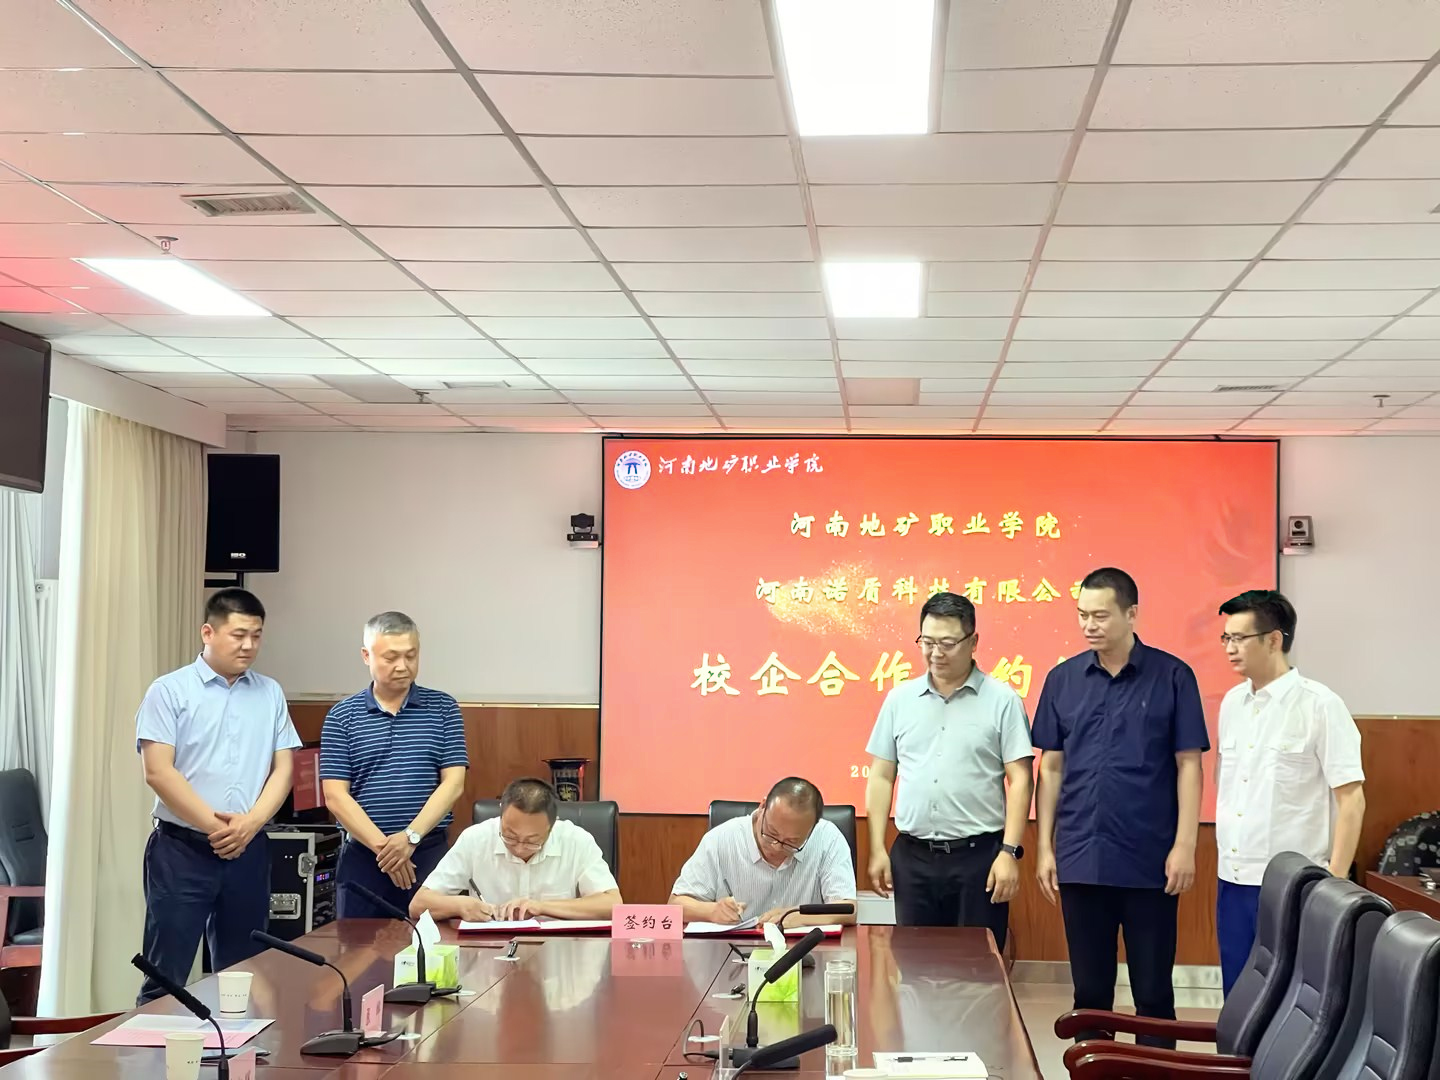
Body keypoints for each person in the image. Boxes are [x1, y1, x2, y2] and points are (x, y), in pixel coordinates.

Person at [1032, 567, 1208, 1048]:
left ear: (1131, 614)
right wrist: (1045, 848)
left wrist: (1185, 846)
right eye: (1082, 615)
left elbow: (1189, 764)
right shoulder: (1063, 679)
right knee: (1090, 992)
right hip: (1081, 855)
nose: (1089, 625)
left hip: (1151, 857)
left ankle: (1157, 1072)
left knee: (1153, 990)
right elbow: (1051, 768)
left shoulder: (1173, 676)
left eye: (1101, 615)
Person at [134, 588, 300, 1004]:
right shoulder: (169, 690)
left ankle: (237, 1045)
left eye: (256, 636)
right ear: (207, 633)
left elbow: (284, 769)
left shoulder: (270, 693)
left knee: (245, 971)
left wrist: (250, 825)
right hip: (182, 851)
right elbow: (158, 772)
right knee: (166, 971)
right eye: (238, 635)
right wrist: (217, 828)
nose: (249, 645)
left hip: (248, 849)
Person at [1215, 589, 1365, 995]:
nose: (1229, 648)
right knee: (1238, 994)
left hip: (1295, 887)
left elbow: (1351, 799)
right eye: (1226, 638)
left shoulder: (1320, 705)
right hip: (1233, 878)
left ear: (1273, 640)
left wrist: (1334, 881)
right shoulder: (1231, 704)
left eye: (1239, 638)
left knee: (1290, 1000)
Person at [863, 592, 1034, 950]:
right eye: (927, 642)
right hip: (912, 857)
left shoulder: (1002, 701)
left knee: (978, 965)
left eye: (947, 643)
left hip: (978, 859)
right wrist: (877, 847)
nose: (935, 653)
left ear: (973, 641)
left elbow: (1020, 780)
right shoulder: (899, 700)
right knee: (914, 963)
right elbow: (881, 776)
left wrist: (1009, 852)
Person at [321, 611, 468, 919]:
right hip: (364, 856)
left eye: (411, 656)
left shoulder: (443, 708)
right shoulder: (342, 716)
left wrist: (410, 837)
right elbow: (335, 796)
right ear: (366, 656)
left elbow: (453, 783)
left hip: (427, 853)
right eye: (391, 657)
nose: (403, 666)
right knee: (357, 946)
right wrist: (386, 850)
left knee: (432, 944)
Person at [410, 777, 621, 922]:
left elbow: (611, 905)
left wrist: (541, 907)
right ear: (501, 814)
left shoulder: (576, 841)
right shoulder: (476, 839)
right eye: (509, 836)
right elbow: (418, 905)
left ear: (552, 825)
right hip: (490, 956)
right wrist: (460, 906)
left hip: (560, 954)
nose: (519, 848)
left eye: (532, 841)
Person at [669, 777, 857, 927]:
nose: (776, 847)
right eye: (771, 833)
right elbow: (676, 904)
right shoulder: (721, 839)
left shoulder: (827, 838)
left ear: (813, 828)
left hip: (805, 954)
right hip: (730, 955)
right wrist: (712, 911)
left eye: (791, 842)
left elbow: (849, 909)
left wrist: (798, 916)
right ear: (762, 807)